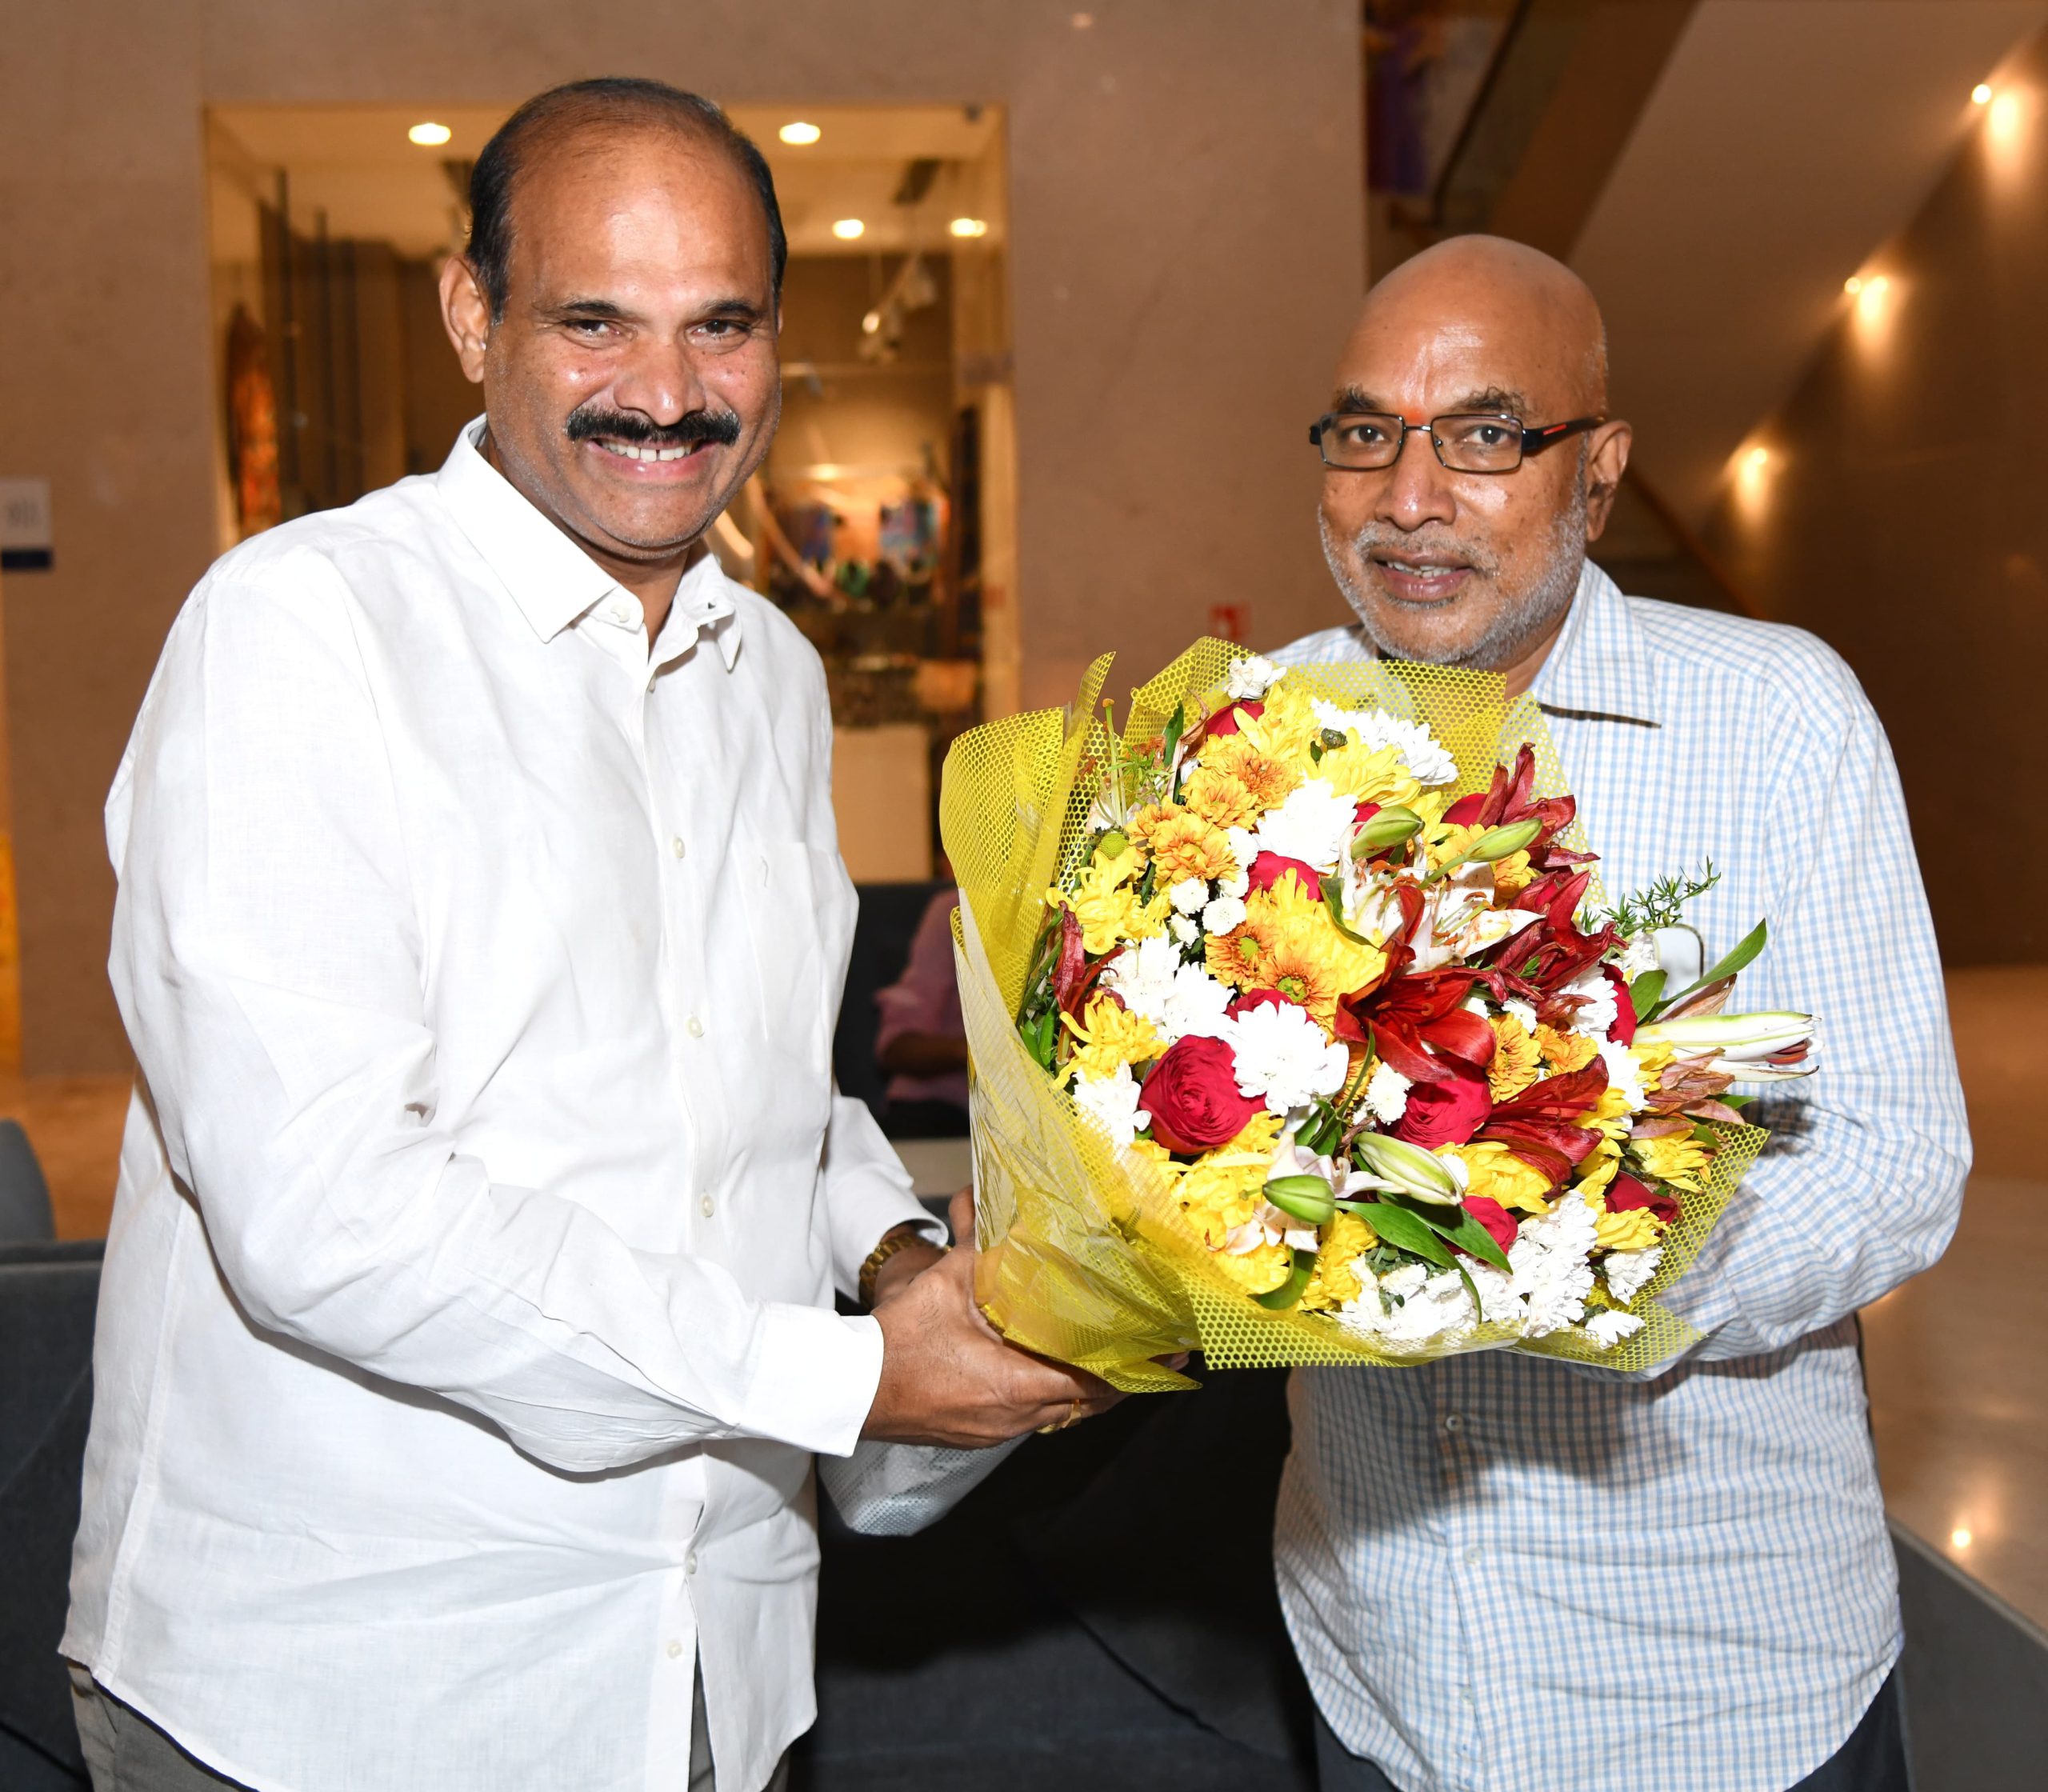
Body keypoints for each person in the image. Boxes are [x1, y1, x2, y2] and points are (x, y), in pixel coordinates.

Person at [62, 78, 1112, 1792]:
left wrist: (897, 1258)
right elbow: (324, 1209)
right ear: (473, 315)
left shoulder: (771, 673)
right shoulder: (299, 631)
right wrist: (844, 1375)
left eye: (722, 325)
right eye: (594, 320)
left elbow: (762, 1087)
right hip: (352, 1691)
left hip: (710, 1664)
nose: (668, 391)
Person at [1270, 235, 1966, 1792]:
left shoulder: (1776, 717)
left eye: (1483, 436)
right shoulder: (1260, 729)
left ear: (1597, 472)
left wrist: (1612, 1257)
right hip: (1381, 1670)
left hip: (1716, 1692)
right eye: (1365, 430)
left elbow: (1896, 1157)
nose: (1407, 497)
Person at [874, 884, 970, 1138]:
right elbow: (897, 1047)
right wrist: (980, 1052)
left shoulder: (1065, 910)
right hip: (941, 1105)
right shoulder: (957, 910)